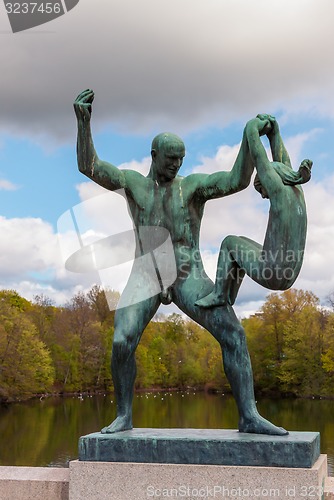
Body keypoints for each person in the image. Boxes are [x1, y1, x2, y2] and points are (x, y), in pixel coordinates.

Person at [74, 89, 287, 435]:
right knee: (120, 341)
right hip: (147, 273)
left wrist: (250, 139)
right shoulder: (132, 184)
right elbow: (90, 166)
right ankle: (124, 415)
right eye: (170, 158)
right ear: (154, 155)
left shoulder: (192, 188)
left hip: (188, 274)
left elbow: (236, 180)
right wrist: (84, 124)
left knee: (233, 334)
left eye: (181, 159)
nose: (176, 165)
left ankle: (249, 415)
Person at [196, 115, 312, 309]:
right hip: (289, 274)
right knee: (241, 241)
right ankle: (229, 297)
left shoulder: (279, 193)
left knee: (229, 243)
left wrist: (251, 129)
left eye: (261, 189)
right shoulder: (297, 190)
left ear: (268, 182)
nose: (264, 196)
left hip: (273, 273)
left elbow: (260, 158)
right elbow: (283, 162)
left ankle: (218, 294)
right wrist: (274, 133)